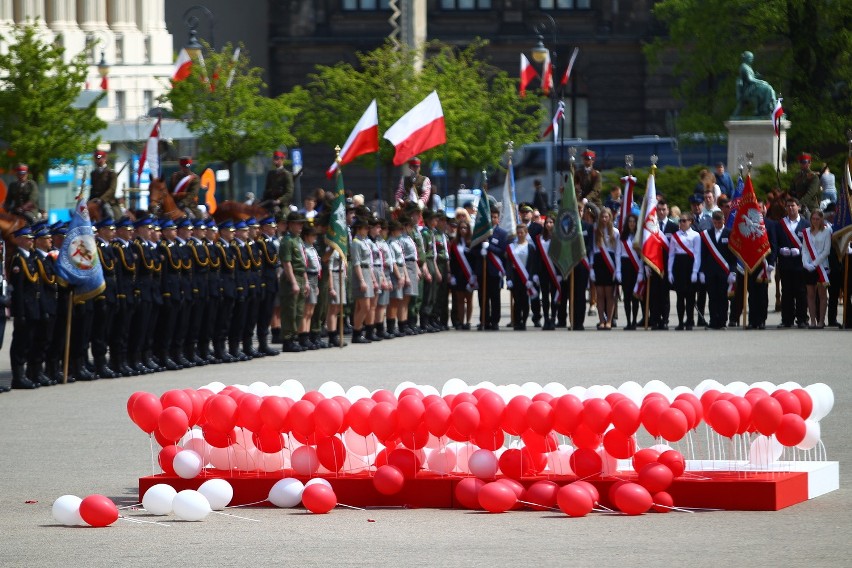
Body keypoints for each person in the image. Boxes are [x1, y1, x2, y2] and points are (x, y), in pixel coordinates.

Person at [8, 226, 41, 388]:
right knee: (20, 342)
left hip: (33, 307)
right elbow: (19, 290)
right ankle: (18, 376)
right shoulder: (18, 260)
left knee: (29, 340)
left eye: (32, 238)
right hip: (25, 308)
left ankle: (28, 374)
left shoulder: (30, 258)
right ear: (20, 240)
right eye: (28, 238)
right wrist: (19, 312)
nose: (31, 241)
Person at [699, 211, 736, 329]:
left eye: (719, 222)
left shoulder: (729, 233)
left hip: (724, 271)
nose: (717, 224)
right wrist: (702, 271)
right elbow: (703, 255)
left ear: (724, 220)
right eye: (715, 222)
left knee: (723, 297)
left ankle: (722, 321)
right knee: (712, 297)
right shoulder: (707, 234)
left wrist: (733, 271)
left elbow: (733, 255)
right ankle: (713, 321)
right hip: (710, 271)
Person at [777, 197, 810, 328]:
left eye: (793, 206)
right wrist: (780, 250)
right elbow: (776, 242)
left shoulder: (806, 224)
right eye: (788, 206)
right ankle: (787, 319)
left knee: (801, 292)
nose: (790, 208)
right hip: (785, 264)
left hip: (800, 264)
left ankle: (802, 319)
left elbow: (810, 244)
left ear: (799, 207)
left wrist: (801, 250)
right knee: (786, 292)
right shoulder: (780, 224)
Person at [279, 212, 308, 351]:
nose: (301, 226)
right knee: (290, 310)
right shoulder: (287, 241)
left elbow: (303, 262)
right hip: (291, 277)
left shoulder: (299, 240)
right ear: (290, 225)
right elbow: (287, 263)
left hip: (301, 276)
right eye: (298, 223)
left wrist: (306, 281)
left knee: (299, 310)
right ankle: (287, 339)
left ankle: (294, 336)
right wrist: (294, 283)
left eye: (302, 223)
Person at [668, 211, 701, 330]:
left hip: (690, 265)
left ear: (690, 222)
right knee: (680, 296)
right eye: (680, 220)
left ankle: (690, 320)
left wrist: (695, 272)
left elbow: (697, 255)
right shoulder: (675, 236)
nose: (681, 223)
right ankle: (681, 321)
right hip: (679, 266)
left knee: (690, 297)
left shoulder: (695, 235)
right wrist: (670, 271)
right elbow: (671, 255)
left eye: (684, 220)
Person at [590, 207, 620, 329]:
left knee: (610, 294)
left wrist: (617, 269)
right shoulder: (596, 231)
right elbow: (592, 250)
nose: (604, 219)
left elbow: (618, 252)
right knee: (600, 294)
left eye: (606, 217)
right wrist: (591, 268)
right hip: (598, 263)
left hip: (610, 264)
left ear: (610, 218)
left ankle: (609, 320)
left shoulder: (615, 232)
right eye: (602, 217)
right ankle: (601, 320)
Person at [801, 209, 832, 328]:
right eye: (813, 219)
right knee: (810, 295)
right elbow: (804, 249)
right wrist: (805, 263)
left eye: (817, 219)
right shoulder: (806, 232)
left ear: (821, 219)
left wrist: (814, 263)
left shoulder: (826, 231)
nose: (815, 221)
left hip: (822, 266)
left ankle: (821, 321)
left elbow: (826, 251)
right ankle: (812, 321)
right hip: (808, 267)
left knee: (822, 294)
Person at [505, 223, 539, 330]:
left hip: (526, 277)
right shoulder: (511, 247)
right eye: (518, 233)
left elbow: (533, 264)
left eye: (522, 232)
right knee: (517, 301)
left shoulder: (530, 247)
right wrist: (509, 278)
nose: (520, 234)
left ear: (526, 233)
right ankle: (517, 321)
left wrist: (532, 278)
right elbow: (509, 264)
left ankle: (523, 321)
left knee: (525, 301)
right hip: (515, 276)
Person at [350, 217, 376, 343]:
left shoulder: (365, 241)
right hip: (360, 273)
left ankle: (358, 333)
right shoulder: (356, 242)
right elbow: (356, 263)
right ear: (359, 229)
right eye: (365, 228)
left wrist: (372, 279)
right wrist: (361, 280)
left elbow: (369, 262)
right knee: (365, 307)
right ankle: (357, 332)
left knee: (362, 307)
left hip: (367, 272)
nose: (367, 230)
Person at [615, 214, 642, 330]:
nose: (631, 223)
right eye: (629, 221)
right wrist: (618, 271)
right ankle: (628, 321)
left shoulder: (640, 237)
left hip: (636, 268)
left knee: (635, 296)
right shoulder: (622, 238)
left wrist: (641, 272)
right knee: (627, 296)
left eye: (634, 221)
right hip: (625, 266)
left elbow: (642, 256)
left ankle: (635, 321)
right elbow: (618, 254)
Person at [449, 219, 476, 330]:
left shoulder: (472, 242)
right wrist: (452, 275)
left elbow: (475, 260)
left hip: (470, 276)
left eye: (465, 228)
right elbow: (452, 261)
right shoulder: (454, 243)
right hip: (459, 275)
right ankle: (460, 321)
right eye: (461, 228)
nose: (463, 230)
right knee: (460, 300)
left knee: (469, 300)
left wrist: (474, 275)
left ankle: (468, 322)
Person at [262, 150, 295, 220]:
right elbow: (267, 189)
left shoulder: (287, 174)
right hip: (270, 202)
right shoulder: (270, 173)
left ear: (282, 160)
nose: (275, 160)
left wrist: (279, 200)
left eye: (277, 158)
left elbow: (289, 193)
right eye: (274, 158)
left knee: (285, 217)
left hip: (281, 204)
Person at [90, 150, 120, 220]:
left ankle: (112, 224)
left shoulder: (111, 173)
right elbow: (93, 188)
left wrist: (102, 199)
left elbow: (112, 189)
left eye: (100, 158)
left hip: (107, 200)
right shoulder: (93, 173)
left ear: (105, 158)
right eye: (96, 158)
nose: (98, 160)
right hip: (95, 199)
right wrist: (90, 199)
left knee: (108, 212)